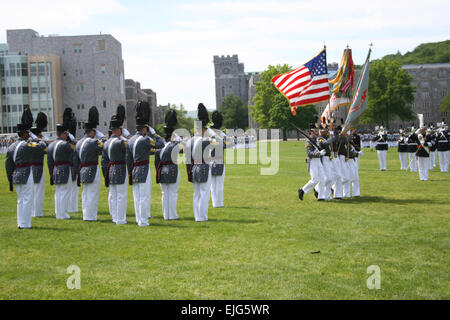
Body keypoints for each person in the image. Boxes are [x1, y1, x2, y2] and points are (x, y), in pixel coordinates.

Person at [5, 108, 46, 229]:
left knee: (20, 199)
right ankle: (25, 223)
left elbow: (8, 164)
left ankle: (20, 222)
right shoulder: (27, 144)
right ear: (25, 134)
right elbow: (42, 145)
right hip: (26, 173)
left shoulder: (11, 146)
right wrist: (34, 136)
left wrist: (9, 177)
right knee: (27, 198)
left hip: (15, 173)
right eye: (27, 133)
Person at [127, 101, 164, 226]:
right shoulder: (145, 139)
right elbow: (161, 144)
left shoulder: (130, 140)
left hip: (134, 169)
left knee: (137, 196)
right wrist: (154, 134)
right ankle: (143, 220)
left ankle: (139, 218)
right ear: (144, 128)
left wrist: (129, 172)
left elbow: (128, 159)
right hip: (143, 168)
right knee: (143, 196)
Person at [186, 103, 217, 221]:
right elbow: (219, 142)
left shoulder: (189, 141)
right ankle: (202, 216)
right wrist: (211, 131)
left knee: (196, 194)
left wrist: (189, 172)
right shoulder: (206, 140)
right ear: (203, 129)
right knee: (204, 193)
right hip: (204, 167)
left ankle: (197, 216)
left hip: (193, 169)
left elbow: (187, 160)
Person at [73, 106, 103, 221]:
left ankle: (86, 214)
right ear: (92, 131)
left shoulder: (79, 143)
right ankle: (91, 216)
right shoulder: (93, 141)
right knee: (92, 194)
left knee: (85, 194)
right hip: (92, 168)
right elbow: (104, 146)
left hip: (82, 169)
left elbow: (75, 160)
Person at [101, 105, 128, 224]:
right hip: (120, 168)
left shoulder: (106, 143)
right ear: (119, 130)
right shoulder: (121, 142)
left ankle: (114, 216)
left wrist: (105, 173)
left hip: (110, 169)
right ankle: (120, 219)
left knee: (113, 195)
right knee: (121, 195)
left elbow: (103, 161)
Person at [155, 109, 183, 220]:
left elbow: (156, 161)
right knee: (172, 193)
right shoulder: (175, 144)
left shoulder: (160, 144)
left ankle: (166, 215)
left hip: (161, 170)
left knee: (164, 194)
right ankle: (172, 215)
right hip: (172, 169)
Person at [47, 124, 75, 220]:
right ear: (63, 133)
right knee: (64, 192)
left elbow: (49, 161)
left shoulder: (51, 145)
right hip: (65, 169)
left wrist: (51, 172)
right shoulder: (66, 145)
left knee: (58, 192)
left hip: (55, 169)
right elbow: (75, 151)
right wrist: (72, 140)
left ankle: (58, 212)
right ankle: (62, 213)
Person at [298, 127, 326, 201]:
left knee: (322, 179)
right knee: (314, 180)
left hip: (318, 161)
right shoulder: (308, 142)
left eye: (317, 131)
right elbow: (309, 153)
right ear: (311, 132)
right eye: (315, 131)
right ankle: (302, 190)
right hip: (312, 161)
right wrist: (318, 153)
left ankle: (321, 196)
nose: (317, 133)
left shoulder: (317, 140)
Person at [29, 112, 49, 217]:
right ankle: (37, 212)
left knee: (33, 191)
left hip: (30, 168)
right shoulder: (38, 144)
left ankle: (33, 211)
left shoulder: (29, 144)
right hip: (37, 168)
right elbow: (47, 149)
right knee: (38, 192)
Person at [209, 111, 227, 208]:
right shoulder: (222, 134)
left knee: (213, 184)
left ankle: (214, 203)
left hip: (210, 160)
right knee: (219, 183)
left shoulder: (209, 134)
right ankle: (219, 203)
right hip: (219, 160)